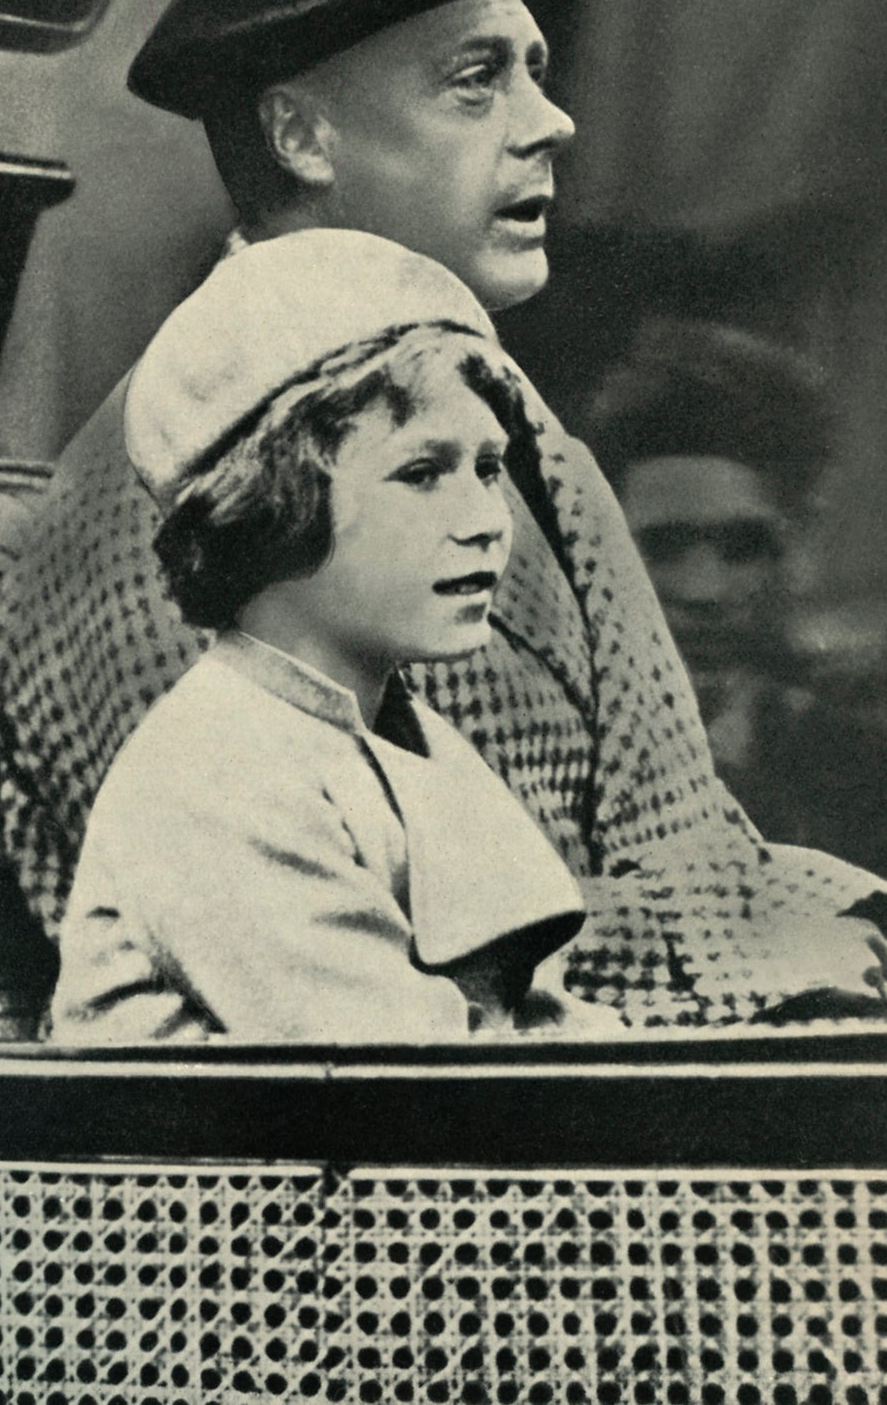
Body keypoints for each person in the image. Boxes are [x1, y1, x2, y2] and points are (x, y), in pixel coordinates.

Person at [0, 0, 887, 1029]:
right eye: (474, 81)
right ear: (301, 134)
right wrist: (733, 957)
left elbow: (689, 840)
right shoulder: (170, 489)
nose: (548, 123)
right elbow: (353, 966)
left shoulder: (510, 442)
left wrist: (807, 939)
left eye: (536, 71)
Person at [51, 230, 622, 1044]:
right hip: (227, 1168)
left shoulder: (402, 736)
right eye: (422, 473)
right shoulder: (213, 774)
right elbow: (400, 1082)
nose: (487, 523)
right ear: (271, 504)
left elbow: (531, 1021)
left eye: (488, 469)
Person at [585, 316, 887, 930]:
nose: (705, 589)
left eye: (745, 546)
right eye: (662, 546)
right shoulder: (528, 774)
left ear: (793, 549)